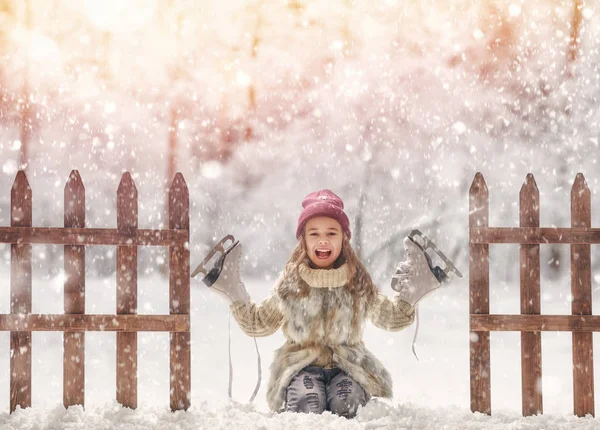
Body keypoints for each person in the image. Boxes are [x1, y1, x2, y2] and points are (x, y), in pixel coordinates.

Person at [203, 189, 443, 418]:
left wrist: (412, 293)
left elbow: (391, 318)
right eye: (314, 234)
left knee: (346, 402)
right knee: (309, 402)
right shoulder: (291, 285)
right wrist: (234, 291)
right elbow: (258, 324)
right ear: (304, 241)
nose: (323, 241)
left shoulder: (356, 283)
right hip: (301, 368)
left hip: (348, 367)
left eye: (331, 233)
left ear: (343, 240)